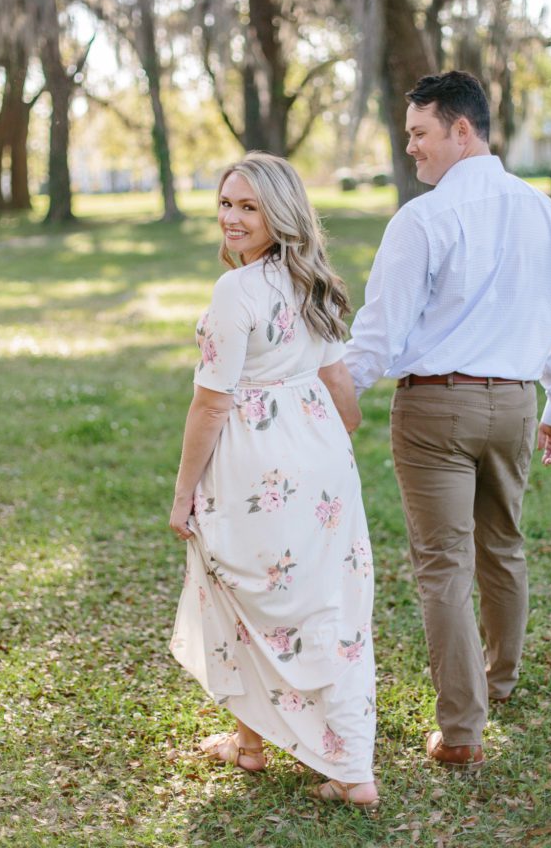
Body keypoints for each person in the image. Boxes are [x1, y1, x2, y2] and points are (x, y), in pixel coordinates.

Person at [344, 71, 551, 771]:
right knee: (502, 546)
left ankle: (461, 734)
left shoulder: (421, 219)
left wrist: (334, 392)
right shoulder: (542, 211)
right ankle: (497, 683)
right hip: (513, 403)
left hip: (434, 409)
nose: (410, 148)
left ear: (462, 129)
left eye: (420, 133)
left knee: (443, 566)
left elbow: (379, 335)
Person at [169, 152, 379, 810]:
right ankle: (255, 743)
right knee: (317, 604)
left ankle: (351, 770)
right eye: (226, 204)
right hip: (319, 457)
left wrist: (182, 494)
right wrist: (334, 446)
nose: (231, 218)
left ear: (279, 213)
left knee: (250, 598)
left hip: (256, 461)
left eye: (248, 207)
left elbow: (211, 403)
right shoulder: (311, 280)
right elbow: (340, 383)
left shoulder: (237, 292)